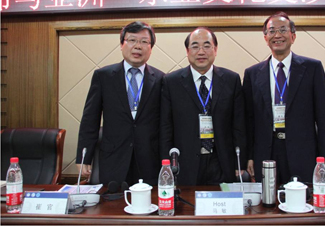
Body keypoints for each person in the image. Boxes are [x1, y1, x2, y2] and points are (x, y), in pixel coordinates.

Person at [243, 12, 325, 185]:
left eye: (283, 30)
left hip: (303, 152)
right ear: (265, 38)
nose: (277, 35)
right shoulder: (252, 74)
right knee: (268, 204)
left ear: (293, 36)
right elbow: (249, 120)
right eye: (272, 31)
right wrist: (249, 156)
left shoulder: (312, 68)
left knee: (302, 203)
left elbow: (323, 116)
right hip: (266, 153)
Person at [76, 21, 164, 186]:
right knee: (112, 206)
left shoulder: (161, 79)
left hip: (149, 160)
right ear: (122, 45)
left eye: (144, 42)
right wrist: (84, 156)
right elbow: (90, 118)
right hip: (113, 158)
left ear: (151, 48)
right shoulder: (103, 76)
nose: (138, 46)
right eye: (132, 40)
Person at [159, 27, 247, 186]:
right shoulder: (171, 82)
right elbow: (166, 126)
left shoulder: (231, 79)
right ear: (187, 51)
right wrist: (167, 164)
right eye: (195, 46)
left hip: (221, 161)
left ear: (215, 49)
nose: (201, 51)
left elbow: (239, 124)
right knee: (186, 208)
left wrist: (239, 162)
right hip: (185, 162)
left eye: (207, 46)